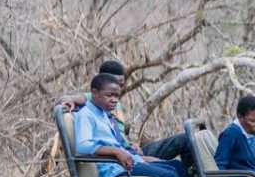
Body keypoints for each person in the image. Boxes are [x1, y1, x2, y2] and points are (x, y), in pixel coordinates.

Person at [74, 73, 200, 177]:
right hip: (112, 170)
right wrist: (115, 152)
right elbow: (82, 146)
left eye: (117, 96)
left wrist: (137, 156)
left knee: (176, 166)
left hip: (125, 163)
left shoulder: (103, 114)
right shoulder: (86, 115)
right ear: (94, 93)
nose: (114, 100)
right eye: (110, 95)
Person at [57, 59, 189, 161]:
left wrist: (132, 144)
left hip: (131, 149)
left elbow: (117, 130)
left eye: (121, 85)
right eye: (113, 84)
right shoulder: (95, 98)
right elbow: (68, 98)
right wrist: (66, 100)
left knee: (186, 139)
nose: (118, 89)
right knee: (170, 169)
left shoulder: (114, 102)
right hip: (121, 156)